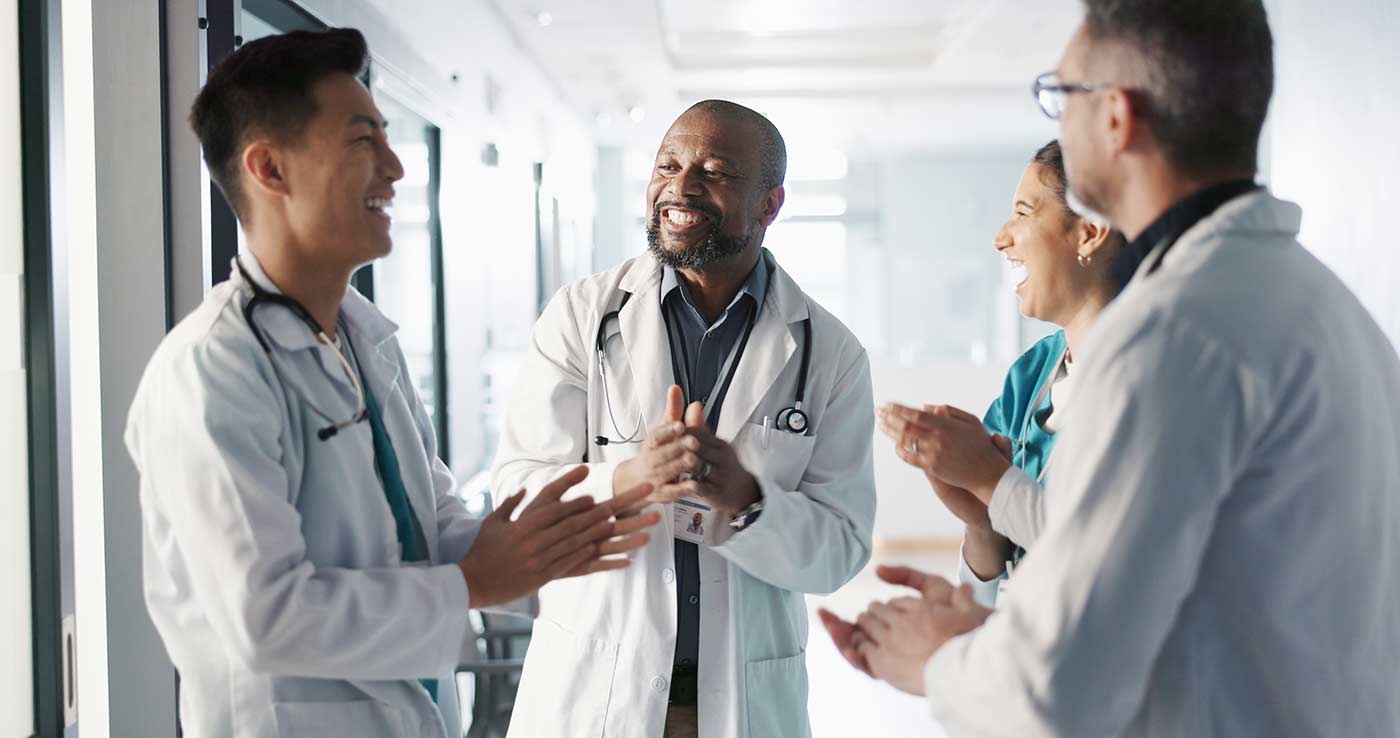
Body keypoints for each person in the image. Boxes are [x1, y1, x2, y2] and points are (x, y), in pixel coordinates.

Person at [825, 1, 1400, 736]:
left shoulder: (1170, 335)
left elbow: (1055, 689)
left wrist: (936, 659)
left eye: (1058, 96)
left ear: (1116, 119)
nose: (1056, 121)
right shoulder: (1322, 304)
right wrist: (989, 620)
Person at [124, 29, 658, 738]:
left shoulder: (365, 340)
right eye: (362, 141)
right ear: (270, 170)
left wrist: (541, 550)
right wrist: (472, 584)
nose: (397, 167)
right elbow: (265, 616)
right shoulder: (211, 369)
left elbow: (427, 524)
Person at [492, 100, 877, 738]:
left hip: (739, 703)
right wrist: (627, 479)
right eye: (668, 164)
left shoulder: (830, 355)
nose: (681, 185)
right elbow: (514, 493)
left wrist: (746, 498)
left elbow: (840, 549)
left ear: (768, 204)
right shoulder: (582, 316)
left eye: (716, 171)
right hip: (594, 692)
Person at [864, 139, 1129, 609]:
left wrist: (990, 478)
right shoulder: (1032, 375)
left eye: (1024, 213)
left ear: (1089, 232)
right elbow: (989, 597)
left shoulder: (1153, 378)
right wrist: (981, 524)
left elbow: (1113, 561)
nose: (1000, 238)